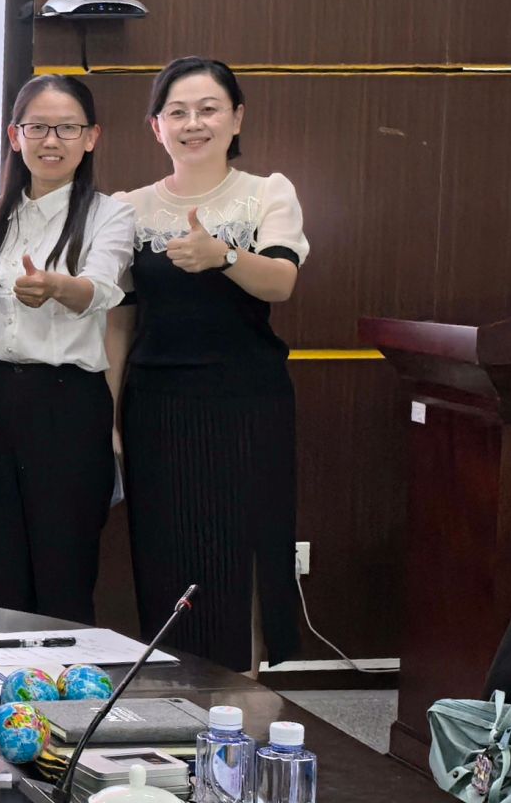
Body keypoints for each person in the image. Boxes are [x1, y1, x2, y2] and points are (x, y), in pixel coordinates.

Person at [114, 56, 308, 671]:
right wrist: (110, 413)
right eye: (177, 112)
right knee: (166, 557)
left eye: (208, 109)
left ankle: (245, 697)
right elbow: (120, 321)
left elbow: (280, 282)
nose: (193, 123)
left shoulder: (266, 192)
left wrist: (223, 255)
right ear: (157, 127)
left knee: (242, 557)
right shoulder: (129, 207)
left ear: (236, 118)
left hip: (246, 402)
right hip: (157, 407)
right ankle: (177, 696)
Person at [0, 75, 135, 622]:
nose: (51, 140)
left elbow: (102, 288)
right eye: (37, 127)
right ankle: (3, 678)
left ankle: (68, 679)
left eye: (68, 128)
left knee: (64, 567)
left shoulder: (109, 214)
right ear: (14, 136)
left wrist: (57, 286)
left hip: (68, 403)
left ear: (92, 137)